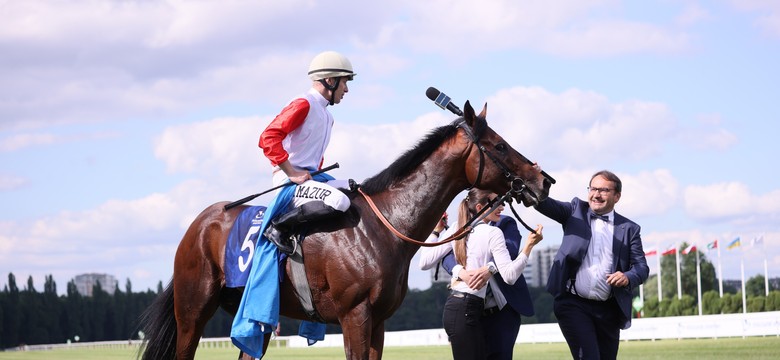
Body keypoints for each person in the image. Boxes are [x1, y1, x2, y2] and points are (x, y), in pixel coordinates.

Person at [534, 169, 649, 360]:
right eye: (593, 189)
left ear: (617, 196)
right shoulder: (574, 210)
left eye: (603, 190)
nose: (596, 194)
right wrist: (534, 177)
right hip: (573, 304)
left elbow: (642, 268)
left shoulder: (630, 229)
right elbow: (543, 203)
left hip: (609, 310)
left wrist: (627, 277)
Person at [419, 189, 543, 360]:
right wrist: (459, 271)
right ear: (479, 206)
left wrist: (489, 268)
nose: (502, 206)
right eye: (496, 202)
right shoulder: (463, 228)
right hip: (469, 311)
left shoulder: (503, 224)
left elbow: (511, 250)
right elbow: (443, 259)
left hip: (492, 312)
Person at [258, 51, 356, 253]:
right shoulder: (304, 103)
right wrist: (291, 172)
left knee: (355, 188)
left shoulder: (327, 116)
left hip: (309, 179)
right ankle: (279, 227)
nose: (346, 89)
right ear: (330, 80)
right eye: (344, 82)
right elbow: (268, 137)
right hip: (289, 181)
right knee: (340, 201)